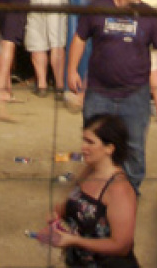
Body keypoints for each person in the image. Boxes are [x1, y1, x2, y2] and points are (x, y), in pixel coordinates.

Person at [67, 0, 157, 192]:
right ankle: (93, 189)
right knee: (94, 143)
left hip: (134, 94)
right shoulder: (97, 9)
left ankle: (130, 190)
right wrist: (72, 69)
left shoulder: (149, 16)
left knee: (134, 146)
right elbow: (80, 38)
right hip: (99, 92)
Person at [36, 113, 139, 268]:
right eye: (83, 140)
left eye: (90, 142)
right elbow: (69, 207)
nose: (83, 147)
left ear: (109, 148)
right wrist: (56, 219)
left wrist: (74, 241)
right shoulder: (88, 171)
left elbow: (121, 246)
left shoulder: (119, 190)